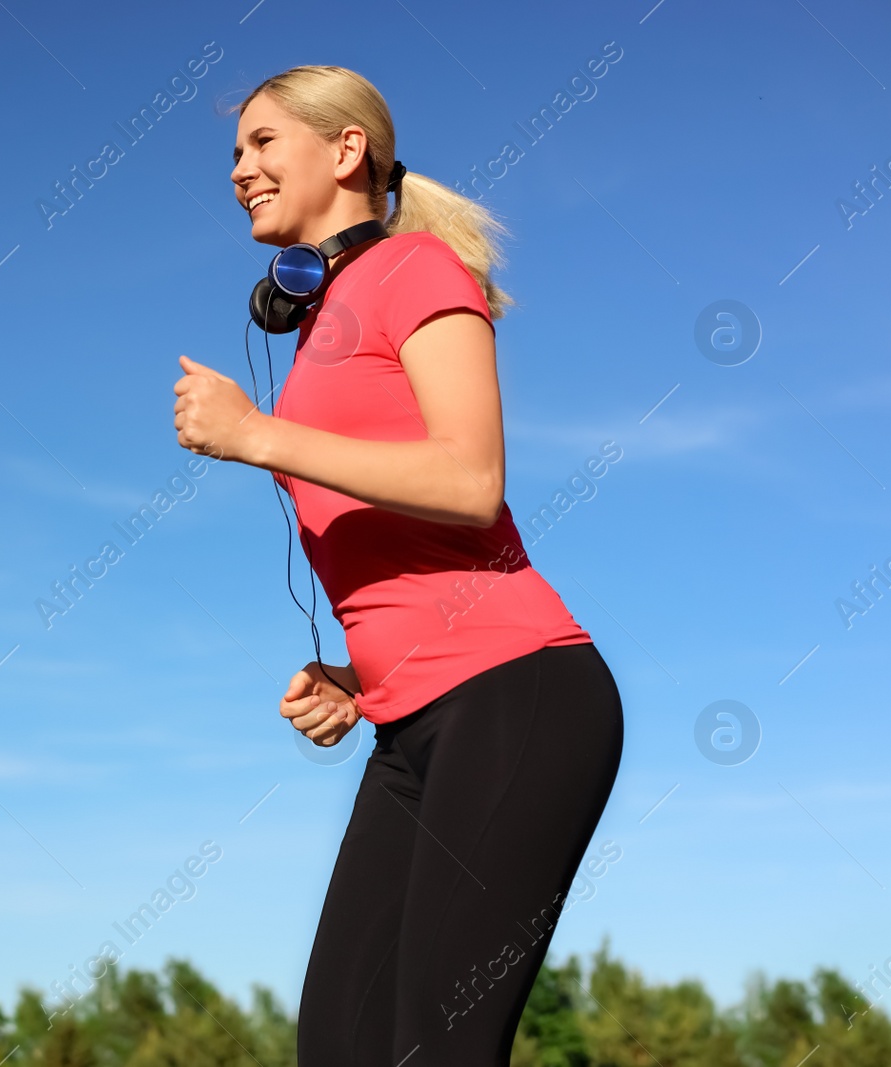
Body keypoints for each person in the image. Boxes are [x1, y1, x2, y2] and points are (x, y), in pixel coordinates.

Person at [171, 65, 625, 1066]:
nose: (238, 169)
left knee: (441, 1044)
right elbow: (403, 550)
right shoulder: (320, 329)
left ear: (345, 152)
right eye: (234, 152)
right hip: (408, 723)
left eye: (259, 143)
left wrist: (255, 437)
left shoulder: (415, 268)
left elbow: (468, 481)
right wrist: (357, 674)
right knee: (339, 1043)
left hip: (518, 691)